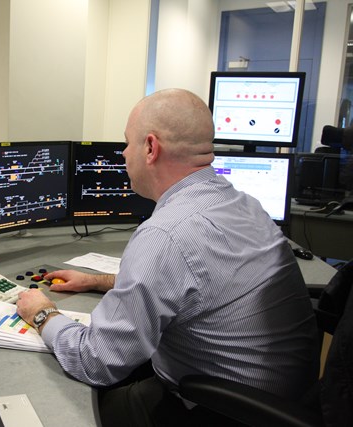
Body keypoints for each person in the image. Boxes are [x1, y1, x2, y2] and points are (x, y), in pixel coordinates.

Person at [16, 88, 320, 426]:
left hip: (222, 410)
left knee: (69, 411)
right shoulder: (243, 205)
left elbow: (96, 362)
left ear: (150, 147)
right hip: (285, 397)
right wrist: (98, 281)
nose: (123, 154)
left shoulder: (165, 235)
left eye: (127, 143)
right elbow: (200, 283)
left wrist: (42, 314)